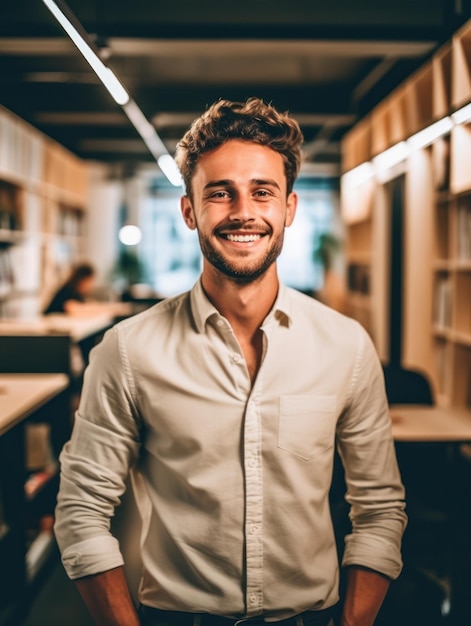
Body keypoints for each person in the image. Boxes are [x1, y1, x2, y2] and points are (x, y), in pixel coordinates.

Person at [54, 98, 407, 626]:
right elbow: (81, 513)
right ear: (190, 210)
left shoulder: (346, 346)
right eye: (220, 194)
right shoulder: (127, 351)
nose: (243, 212)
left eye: (262, 192)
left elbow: (379, 510)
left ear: (287, 208)